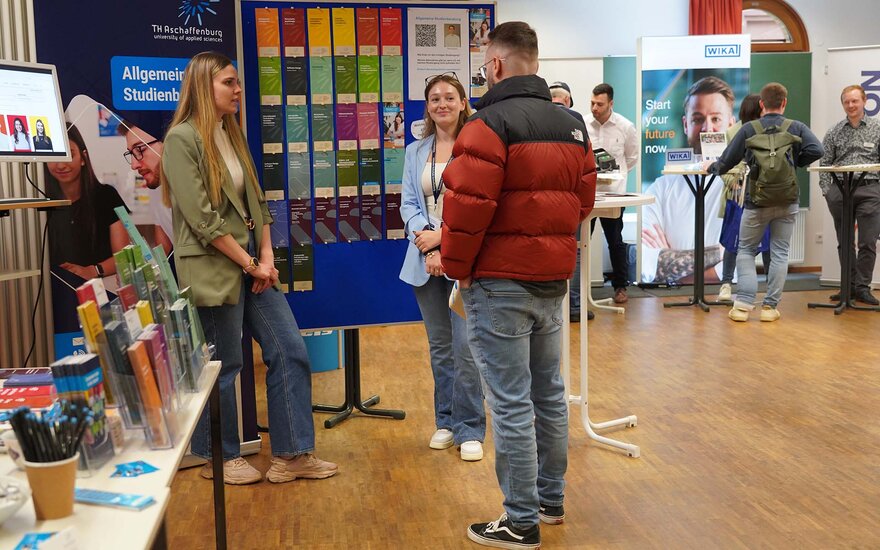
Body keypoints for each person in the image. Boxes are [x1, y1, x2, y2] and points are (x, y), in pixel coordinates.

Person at [441, 22, 596, 549]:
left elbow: (465, 213)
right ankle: (550, 502)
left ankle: (520, 520)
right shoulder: (574, 124)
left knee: (509, 402)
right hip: (553, 281)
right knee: (549, 394)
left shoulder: (487, 125)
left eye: (485, 64)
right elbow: (583, 203)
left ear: (498, 65)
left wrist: (458, 269)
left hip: (499, 284)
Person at [160, 51, 337, 485]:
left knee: (289, 350)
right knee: (226, 365)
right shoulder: (181, 140)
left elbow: (256, 202)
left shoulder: (230, 132)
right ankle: (218, 458)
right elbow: (202, 219)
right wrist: (250, 264)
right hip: (214, 268)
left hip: (252, 265)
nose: (238, 90)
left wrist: (266, 259)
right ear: (205, 86)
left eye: (236, 83)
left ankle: (291, 455)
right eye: (229, 83)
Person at [398, 73, 486, 462]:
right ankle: (446, 422)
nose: (442, 104)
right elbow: (407, 205)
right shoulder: (416, 151)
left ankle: (471, 427)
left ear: (463, 102)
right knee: (440, 348)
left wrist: (443, 241)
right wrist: (427, 242)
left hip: (465, 260)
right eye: (434, 99)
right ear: (428, 108)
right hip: (424, 261)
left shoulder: (479, 147)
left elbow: (479, 205)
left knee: (466, 347)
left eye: (449, 97)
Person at [709, 82, 823, 322]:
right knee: (780, 252)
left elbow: (727, 161)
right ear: (784, 103)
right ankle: (770, 308)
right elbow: (817, 150)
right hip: (788, 200)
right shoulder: (796, 127)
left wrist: (712, 168)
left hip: (756, 201)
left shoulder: (749, 129)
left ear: (762, 104)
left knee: (746, 250)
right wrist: (797, 162)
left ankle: (743, 306)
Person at [641, 76, 735, 284]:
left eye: (716, 119)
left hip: (727, 301)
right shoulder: (661, 188)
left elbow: (739, 265)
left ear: (731, 123)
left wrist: (674, 265)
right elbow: (649, 264)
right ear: (685, 124)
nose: (707, 129)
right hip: (666, 308)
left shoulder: (743, 184)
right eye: (698, 119)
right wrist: (720, 252)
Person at [45, 124, 130, 335]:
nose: (61, 164)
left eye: (69, 155)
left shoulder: (106, 195)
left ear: (83, 158)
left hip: (103, 296)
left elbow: (125, 255)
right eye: (55, 156)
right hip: (53, 302)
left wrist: (92, 270)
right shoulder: (41, 204)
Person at [819, 84, 880, 305]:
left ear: (864, 101)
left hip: (870, 190)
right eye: (847, 101)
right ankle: (849, 287)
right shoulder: (834, 131)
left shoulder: (877, 128)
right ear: (842, 104)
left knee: (867, 242)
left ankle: (863, 288)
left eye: (855, 101)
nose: (851, 105)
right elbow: (824, 163)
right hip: (840, 192)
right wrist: (827, 192)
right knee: (844, 242)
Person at [586, 83, 639, 304]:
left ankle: (620, 287)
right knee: (580, 241)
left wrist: (617, 177)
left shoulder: (625, 126)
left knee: (615, 241)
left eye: (599, 104)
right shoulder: (582, 123)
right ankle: (577, 288)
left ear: (611, 104)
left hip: (614, 194)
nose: (594, 108)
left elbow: (632, 158)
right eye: (592, 103)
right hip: (588, 193)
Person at [716, 94, 772, 300]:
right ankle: (726, 284)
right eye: (763, 109)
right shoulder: (733, 132)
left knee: (768, 242)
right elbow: (725, 163)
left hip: (765, 195)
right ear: (757, 110)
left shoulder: (769, 130)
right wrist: (739, 174)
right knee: (734, 241)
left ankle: (771, 288)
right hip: (738, 195)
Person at [548, 81, 593, 322]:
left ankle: (554, 308)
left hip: (542, 203)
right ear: (568, 100)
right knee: (574, 252)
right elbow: (587, 168)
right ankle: (574, 306)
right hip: (570, 200)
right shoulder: (576, 120)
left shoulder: (535, 119)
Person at [118, 122, 173, 254]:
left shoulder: (196, 186)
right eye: (131, 153)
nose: (134, 164)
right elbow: (165, 250)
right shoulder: (156, 189)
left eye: (140, 150)